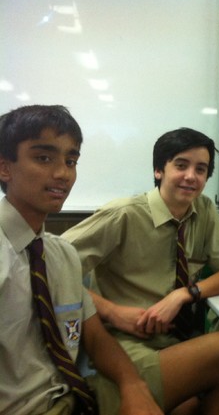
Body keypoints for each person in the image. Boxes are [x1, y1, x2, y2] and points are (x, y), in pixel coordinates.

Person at [62, 127, 219, 414]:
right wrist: (112, 311)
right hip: (122, 345)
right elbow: (50, 268)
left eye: (201, 169)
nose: (191, 176)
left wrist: (184, 294)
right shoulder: (124, 214)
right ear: (159, 170)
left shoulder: (204, 209)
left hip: (173, 340)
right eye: (181, 165)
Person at [0, 105, 161, 414]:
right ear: (5, 167)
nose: (63, 173)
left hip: (75, 396)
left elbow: (96, 339)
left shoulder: (61, 254)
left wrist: (132, 386)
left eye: (70, 161)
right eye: (43, 158)